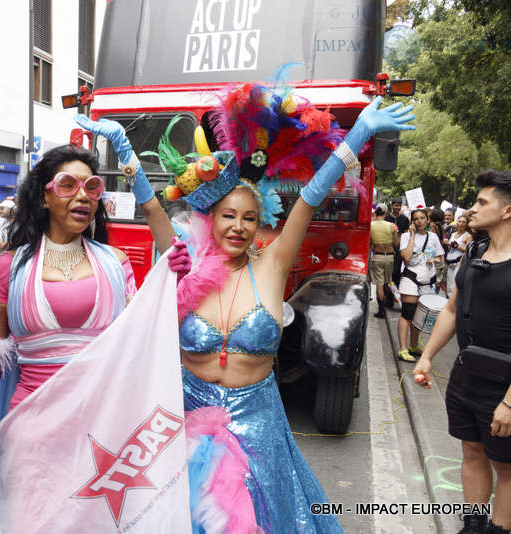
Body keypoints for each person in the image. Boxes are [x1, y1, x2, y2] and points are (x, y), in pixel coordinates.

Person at [169, 83, 414, 532]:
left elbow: (311, 197)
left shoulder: (274, 264)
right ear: (211, 218)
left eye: (249, 217)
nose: (239, 227)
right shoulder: (184, 271)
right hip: (189, 417)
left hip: (257, 420)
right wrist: (124, 157)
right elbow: (151, 215)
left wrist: (358, 135)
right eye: (228, 215)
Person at [0, 137, 179, 532]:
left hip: (104, 430)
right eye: (68, 185)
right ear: (43, 197)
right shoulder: (9, 267)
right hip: (31, 430)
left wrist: (178, 279)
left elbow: (141, 344)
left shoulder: (116, 262)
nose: (82, 196)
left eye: (92, 187)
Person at [414, 170, 511, 534]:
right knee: (471, 450)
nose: (472, 209)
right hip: (466, 376)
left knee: (506, 467)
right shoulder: (476, 251)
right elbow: (452, 309)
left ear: (507, 211)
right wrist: (427, 356)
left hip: (504, 388)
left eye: (482, 202)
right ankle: (473, 525)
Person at [396, 208, 445, 362]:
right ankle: (403, 348)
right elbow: (406, 257)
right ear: (412, 221)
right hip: (410, 279)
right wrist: (411, 237)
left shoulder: (433, 237)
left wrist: (434, 260)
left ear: (427, 220)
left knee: (419, 315)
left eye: (422, 218)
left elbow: (439, 256)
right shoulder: (405, 236)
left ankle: (414, 345)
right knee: (408, 313)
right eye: (416, 219)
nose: (419, 221)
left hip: (427, 281)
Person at [370, 203, 400, 318]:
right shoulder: (392, 226)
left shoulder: (371, 226)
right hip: (390, 257)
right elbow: (396, 243)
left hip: (377, 256)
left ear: (375, 213)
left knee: (379, 284)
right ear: (386, 213)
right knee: (388, 281)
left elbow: (369, 243)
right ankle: (389, 302)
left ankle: (381, 310)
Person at [443, 214, 473, 296]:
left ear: (467, 224)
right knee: (449, 286)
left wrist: (457, 246)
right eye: (459, 221)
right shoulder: (453, 234)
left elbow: (469, 250)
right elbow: (451, 247)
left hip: (459, 263)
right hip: (450, 262)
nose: (461, 224)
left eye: (464, 222)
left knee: (455, 285)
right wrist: (447, 244)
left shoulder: (468, 236)